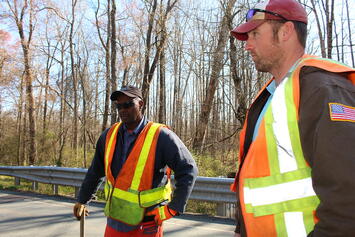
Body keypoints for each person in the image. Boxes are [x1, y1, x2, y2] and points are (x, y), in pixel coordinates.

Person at [229, 0, 355, 236]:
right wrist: (241, 228)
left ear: (286, 31)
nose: (248, 45)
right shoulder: (267, 98)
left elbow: (347, 199)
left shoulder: (323, 89)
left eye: (255, 33)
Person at [73, 85, 198, 237]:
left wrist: (174, 207)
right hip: (115, 220)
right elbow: (96, 171)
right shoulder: (109, 135)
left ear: (141, 104)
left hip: (147, 224)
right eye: (119, 106)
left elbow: (188, 168)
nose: (122, 110)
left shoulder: (161, 136)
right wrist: (83, 199)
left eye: (128, 104)